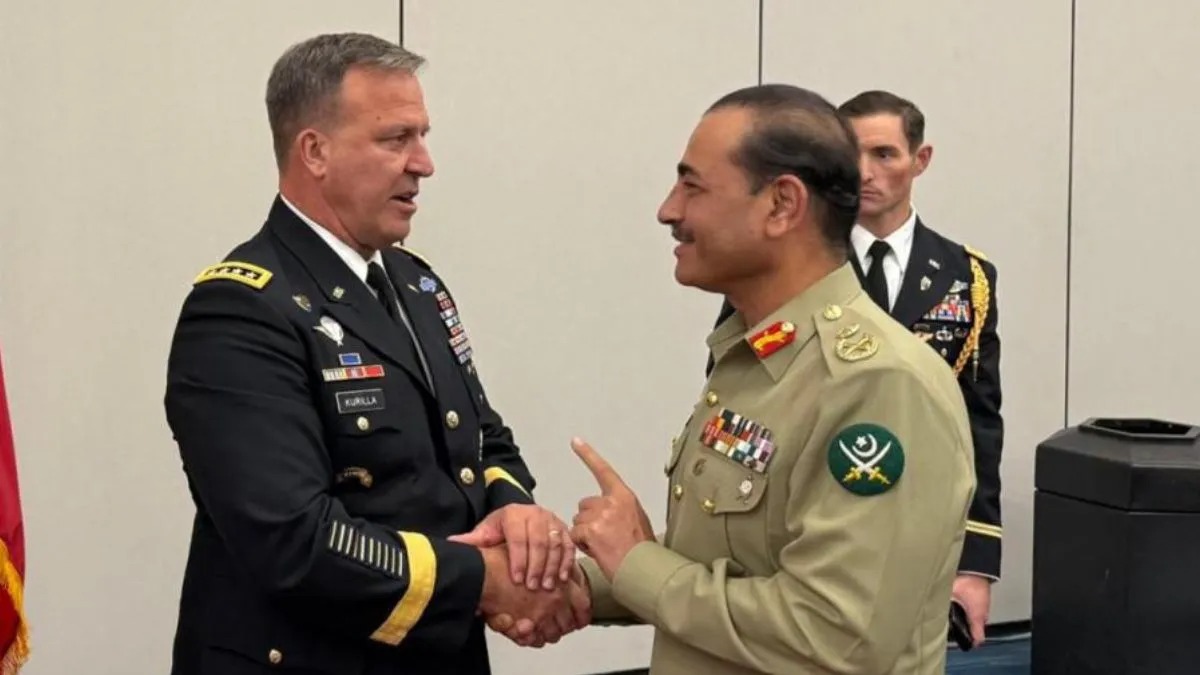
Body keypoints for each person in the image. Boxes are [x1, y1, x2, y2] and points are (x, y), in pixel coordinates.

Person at [163, 33, 588, 675]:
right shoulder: (240, 310)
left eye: (423, 136)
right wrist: (484, 580)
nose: (424, 163)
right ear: (315, 151)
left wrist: (516, 516)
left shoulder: (415, 284)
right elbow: (293, 540)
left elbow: (480, 442)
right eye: (396, 139)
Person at [558, 85, 976, 674]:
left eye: (693, 187)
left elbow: (834, 636)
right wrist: (567, 580)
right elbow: (731, 567)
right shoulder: (756, 357)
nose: (669, 210)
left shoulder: (877, 384)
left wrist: (636, 565)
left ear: (782, 205)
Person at [706, 88, 1004, 648]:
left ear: (920, 160)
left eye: (884, 154)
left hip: (918, 526)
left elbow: (979, 425)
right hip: (805, 524)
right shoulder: (789, 265)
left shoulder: (966, 277)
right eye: (852, 155)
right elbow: (736, 399)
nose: (865, 172)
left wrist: (975, 562)